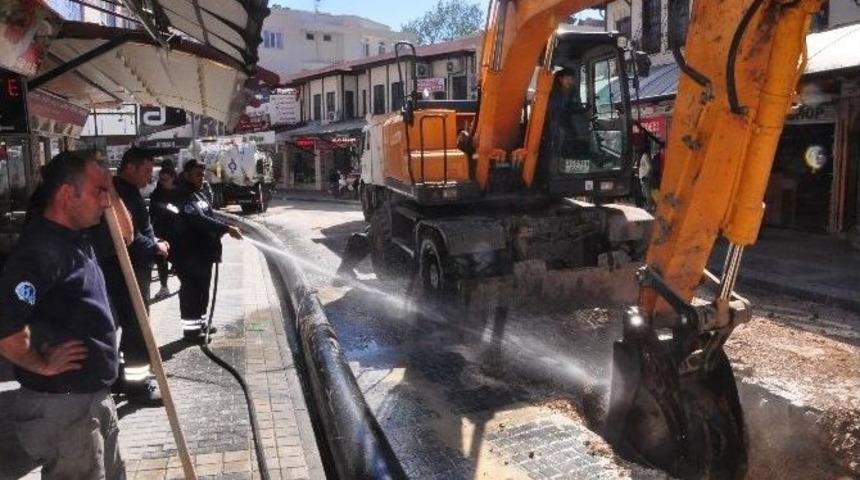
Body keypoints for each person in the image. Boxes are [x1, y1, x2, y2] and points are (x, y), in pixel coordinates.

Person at [0, 150, 126, 479]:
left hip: (91, 400)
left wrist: (109, 186)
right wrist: (41, 363)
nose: (106, 201)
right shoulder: (41, 251)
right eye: (100, 191)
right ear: (68, 194)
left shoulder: (78, 237)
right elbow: (7, 330)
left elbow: (125, 236)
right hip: (66, 408)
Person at [92, 147, 168, 405]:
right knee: (137, 327)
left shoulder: (129, 191)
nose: (150, 177)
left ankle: (121, 378)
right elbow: (126, 236)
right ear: (130, 168)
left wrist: (153, 240)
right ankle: (137, 387)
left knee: (131, 326)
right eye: (146, 171)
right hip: (126, 269)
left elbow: (139, 229)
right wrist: (153, 246)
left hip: (133, 267)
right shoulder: (117, 193)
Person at [172, 159, 242, 343]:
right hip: (189, 255)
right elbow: (198, 220)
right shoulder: (182, 196)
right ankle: (191, 332)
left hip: (203, 254)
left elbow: (209, 215)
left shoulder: (198, 194)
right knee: (192, 292)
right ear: (187, 175)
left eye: (203, 175)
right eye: (197, 175)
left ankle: (201, 324)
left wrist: (219, 231)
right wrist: (226, 229)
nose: (201, 178)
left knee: (202, 291)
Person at [150, 161, 179, 300]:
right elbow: (152, 212)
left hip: (178, 233)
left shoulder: (181, 192)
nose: (162, 183)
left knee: (180, 261)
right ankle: (164, 286)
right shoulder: (157, 192)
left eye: (165, 180)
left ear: (173, 178)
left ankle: (185, 283)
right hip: (161, 232)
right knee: (161, 259)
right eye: (160, 180)